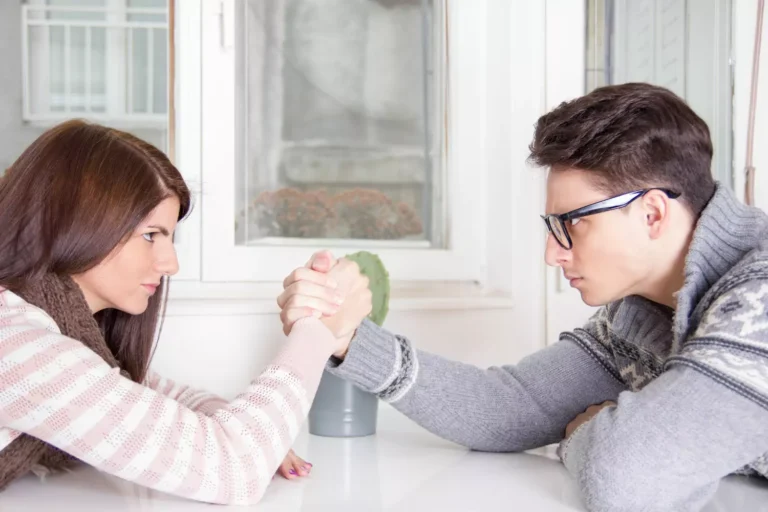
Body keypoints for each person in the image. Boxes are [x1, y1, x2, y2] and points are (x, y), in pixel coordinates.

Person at [277, 83, 768, 512]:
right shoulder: (639, 314)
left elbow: (624, 480)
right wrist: (348, 339)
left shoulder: (758, 296)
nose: (553, 254)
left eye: (573, 223)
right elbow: (508, 408)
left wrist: (583, 434)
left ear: (653, 214)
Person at [0, 119, 372, 505]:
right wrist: (319, 329)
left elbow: (168, 396)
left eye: (170, 236)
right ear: (74, 222)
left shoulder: (56, 330)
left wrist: (253, 432)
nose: (170, 264)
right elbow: (234, 469)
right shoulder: (17, 343)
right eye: (150, 235)